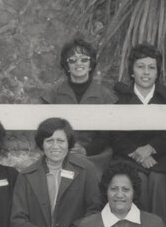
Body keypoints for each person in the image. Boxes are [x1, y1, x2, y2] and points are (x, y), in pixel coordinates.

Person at [10, 117, 102, 227]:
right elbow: (17, 220)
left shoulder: (86, 169)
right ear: (41, 143)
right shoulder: (26, 176)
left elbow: (94, 211)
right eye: (49, 140)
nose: (55, 146)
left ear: (69, 143)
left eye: (60, 140)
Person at [110, 43, 166, 225]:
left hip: (161, 156)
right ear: (132, 71)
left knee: (157, 180)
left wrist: (150, 148)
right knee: (137, 179)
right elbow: (115, 135)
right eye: (140, 67)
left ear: (158, 72)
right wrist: (137, 153)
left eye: (151, 68)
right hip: (128, 156)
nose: (146, 72)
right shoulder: (119, 98)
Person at [40, 36, 114, 172]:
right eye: (72, 60)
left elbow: (106, 136)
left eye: (84, 59)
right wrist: (65, 147)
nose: (78, 64)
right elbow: (46, 131)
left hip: (95, 156)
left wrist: (86, 150)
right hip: (60, 153)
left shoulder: (106, 96)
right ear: (66, 65)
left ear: (90, 64)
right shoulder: (52, 95)